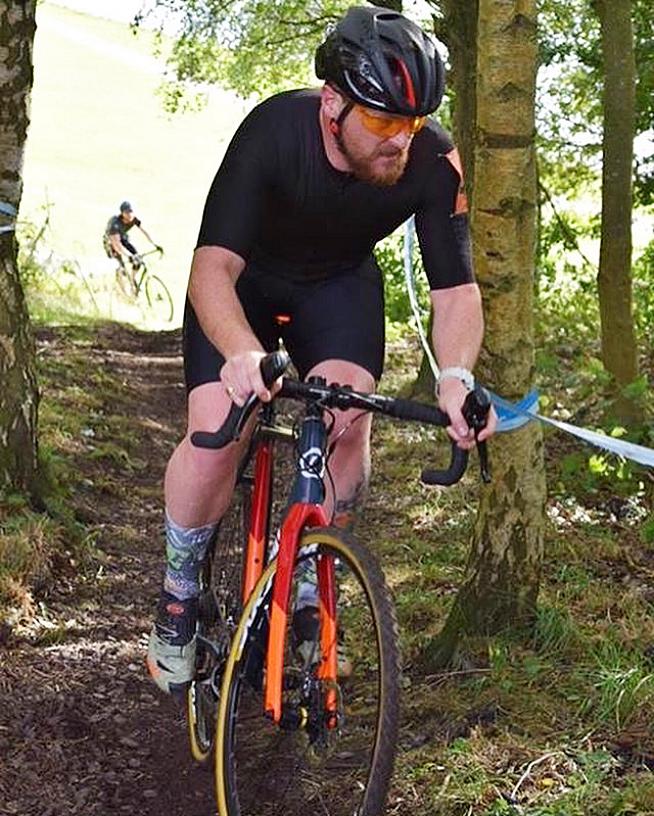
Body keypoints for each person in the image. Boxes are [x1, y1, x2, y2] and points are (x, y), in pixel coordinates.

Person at [146, 5, 497, 696]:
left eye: (414, 123)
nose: (401, 141)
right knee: (218, 431)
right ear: (333, 105)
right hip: (245, 283)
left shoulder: (434, 159)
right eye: (385, 123)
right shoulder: (273, 131)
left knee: (348, 415)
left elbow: (456, 291)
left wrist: (456, 375)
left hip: (338, 285)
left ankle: (309, 567)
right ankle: (179, 590)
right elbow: (211, 269)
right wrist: (241, 353)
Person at [103, 200, 162, 272]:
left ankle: (132, 278)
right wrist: (128, 255)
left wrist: (155, 244)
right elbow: (116, 244)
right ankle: (119, 274)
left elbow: (145, 231)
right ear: (122, 213)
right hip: (111, 241)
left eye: (131, 211)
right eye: (126, 212)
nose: (129, 214)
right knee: (121, 266)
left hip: (123, 237)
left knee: (138, 260)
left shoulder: (134, 219)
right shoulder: (115, 224)